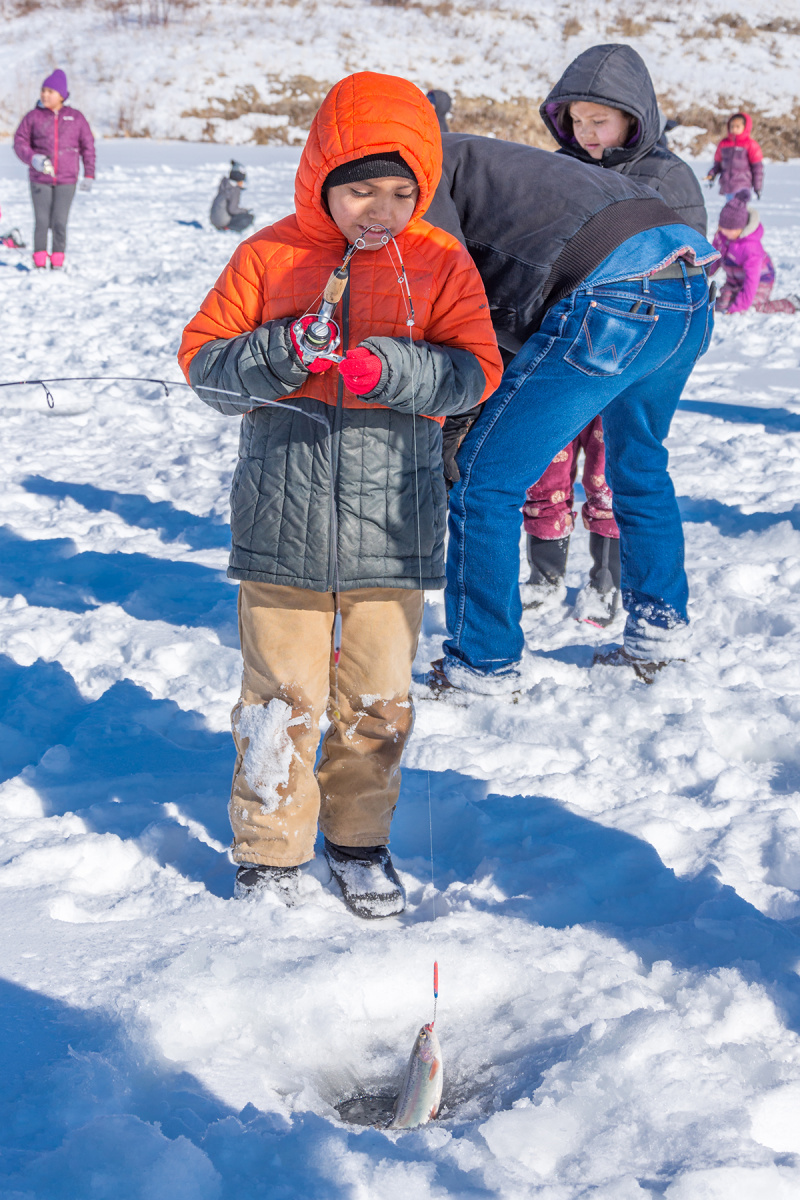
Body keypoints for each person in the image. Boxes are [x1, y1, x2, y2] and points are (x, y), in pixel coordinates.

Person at [178, 72, 502, 916]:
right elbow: (207, 368)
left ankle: (358, 843)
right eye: (362, 188)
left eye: (402, 191)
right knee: (277, 702)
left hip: (391, 530)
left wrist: (396, 369)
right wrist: (283, 351)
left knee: (377, 703)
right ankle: (270, 853)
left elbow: (473, 373)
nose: (381, 208)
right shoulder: (268, 254)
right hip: (282, 525)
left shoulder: (438, 260)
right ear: (323, 177)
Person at [425, 131, 718, 691]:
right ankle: (659, 638)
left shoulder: (423, 171)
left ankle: (482, 664)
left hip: (614, 298)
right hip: (688, 287)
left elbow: (443, 290)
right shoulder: (477, 159)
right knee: (640, 466)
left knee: (484, 480)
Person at [523, 43, 708, 626]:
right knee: (546, 465)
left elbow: (686, 273)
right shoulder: (560, 170)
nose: (585, 133)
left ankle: (607, 578)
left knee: (612, 468)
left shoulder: (667, 178)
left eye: (598, 120)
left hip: (633, 350)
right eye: (574, 121)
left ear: (634, 116)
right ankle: (544, 572)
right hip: (564, 344)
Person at [13, 69, 95, 270]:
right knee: (41, 221)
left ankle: (57, 261)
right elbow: (19, 142)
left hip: (67, 179)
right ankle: (39, 262)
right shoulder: (33, 116)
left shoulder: (76, 118)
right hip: (40, 179)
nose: (45, 95)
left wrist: (90, 173)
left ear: (61, 94)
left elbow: (88, 146)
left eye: (50, 91)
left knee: (59, 221)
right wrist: (33, 159)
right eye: (43, 90)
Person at [712, 190, 799, 315]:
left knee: (754, 306)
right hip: (735, 279)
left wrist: (739, 307)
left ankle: (790, 303)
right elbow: (715, 257)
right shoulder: (722, 236)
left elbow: (751, 283)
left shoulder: (751, 248)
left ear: (740, 227)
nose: (724, 232)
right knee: (722, 304)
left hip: (760, 280)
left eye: (729, 229)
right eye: (722, 228)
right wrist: (705, 271)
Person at [706, 113, 764, 200]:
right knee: (731, 208)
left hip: (743, 185)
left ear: (745, 127)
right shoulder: (724, 144)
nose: (734, 129)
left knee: (738, 208)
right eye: (732, 126)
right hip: (727, 184)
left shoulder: (750, 144)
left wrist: (757, 187)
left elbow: (757, 168)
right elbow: (718, 164)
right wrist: (711, 175)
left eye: (737, 126)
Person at [210, 160, 254, 233]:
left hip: (215, 220)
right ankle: (228, 228)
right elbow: (233, 209)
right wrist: (245, 211)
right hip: (222, 221)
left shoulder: (225, 185)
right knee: (248, 217)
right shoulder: (234, 189)